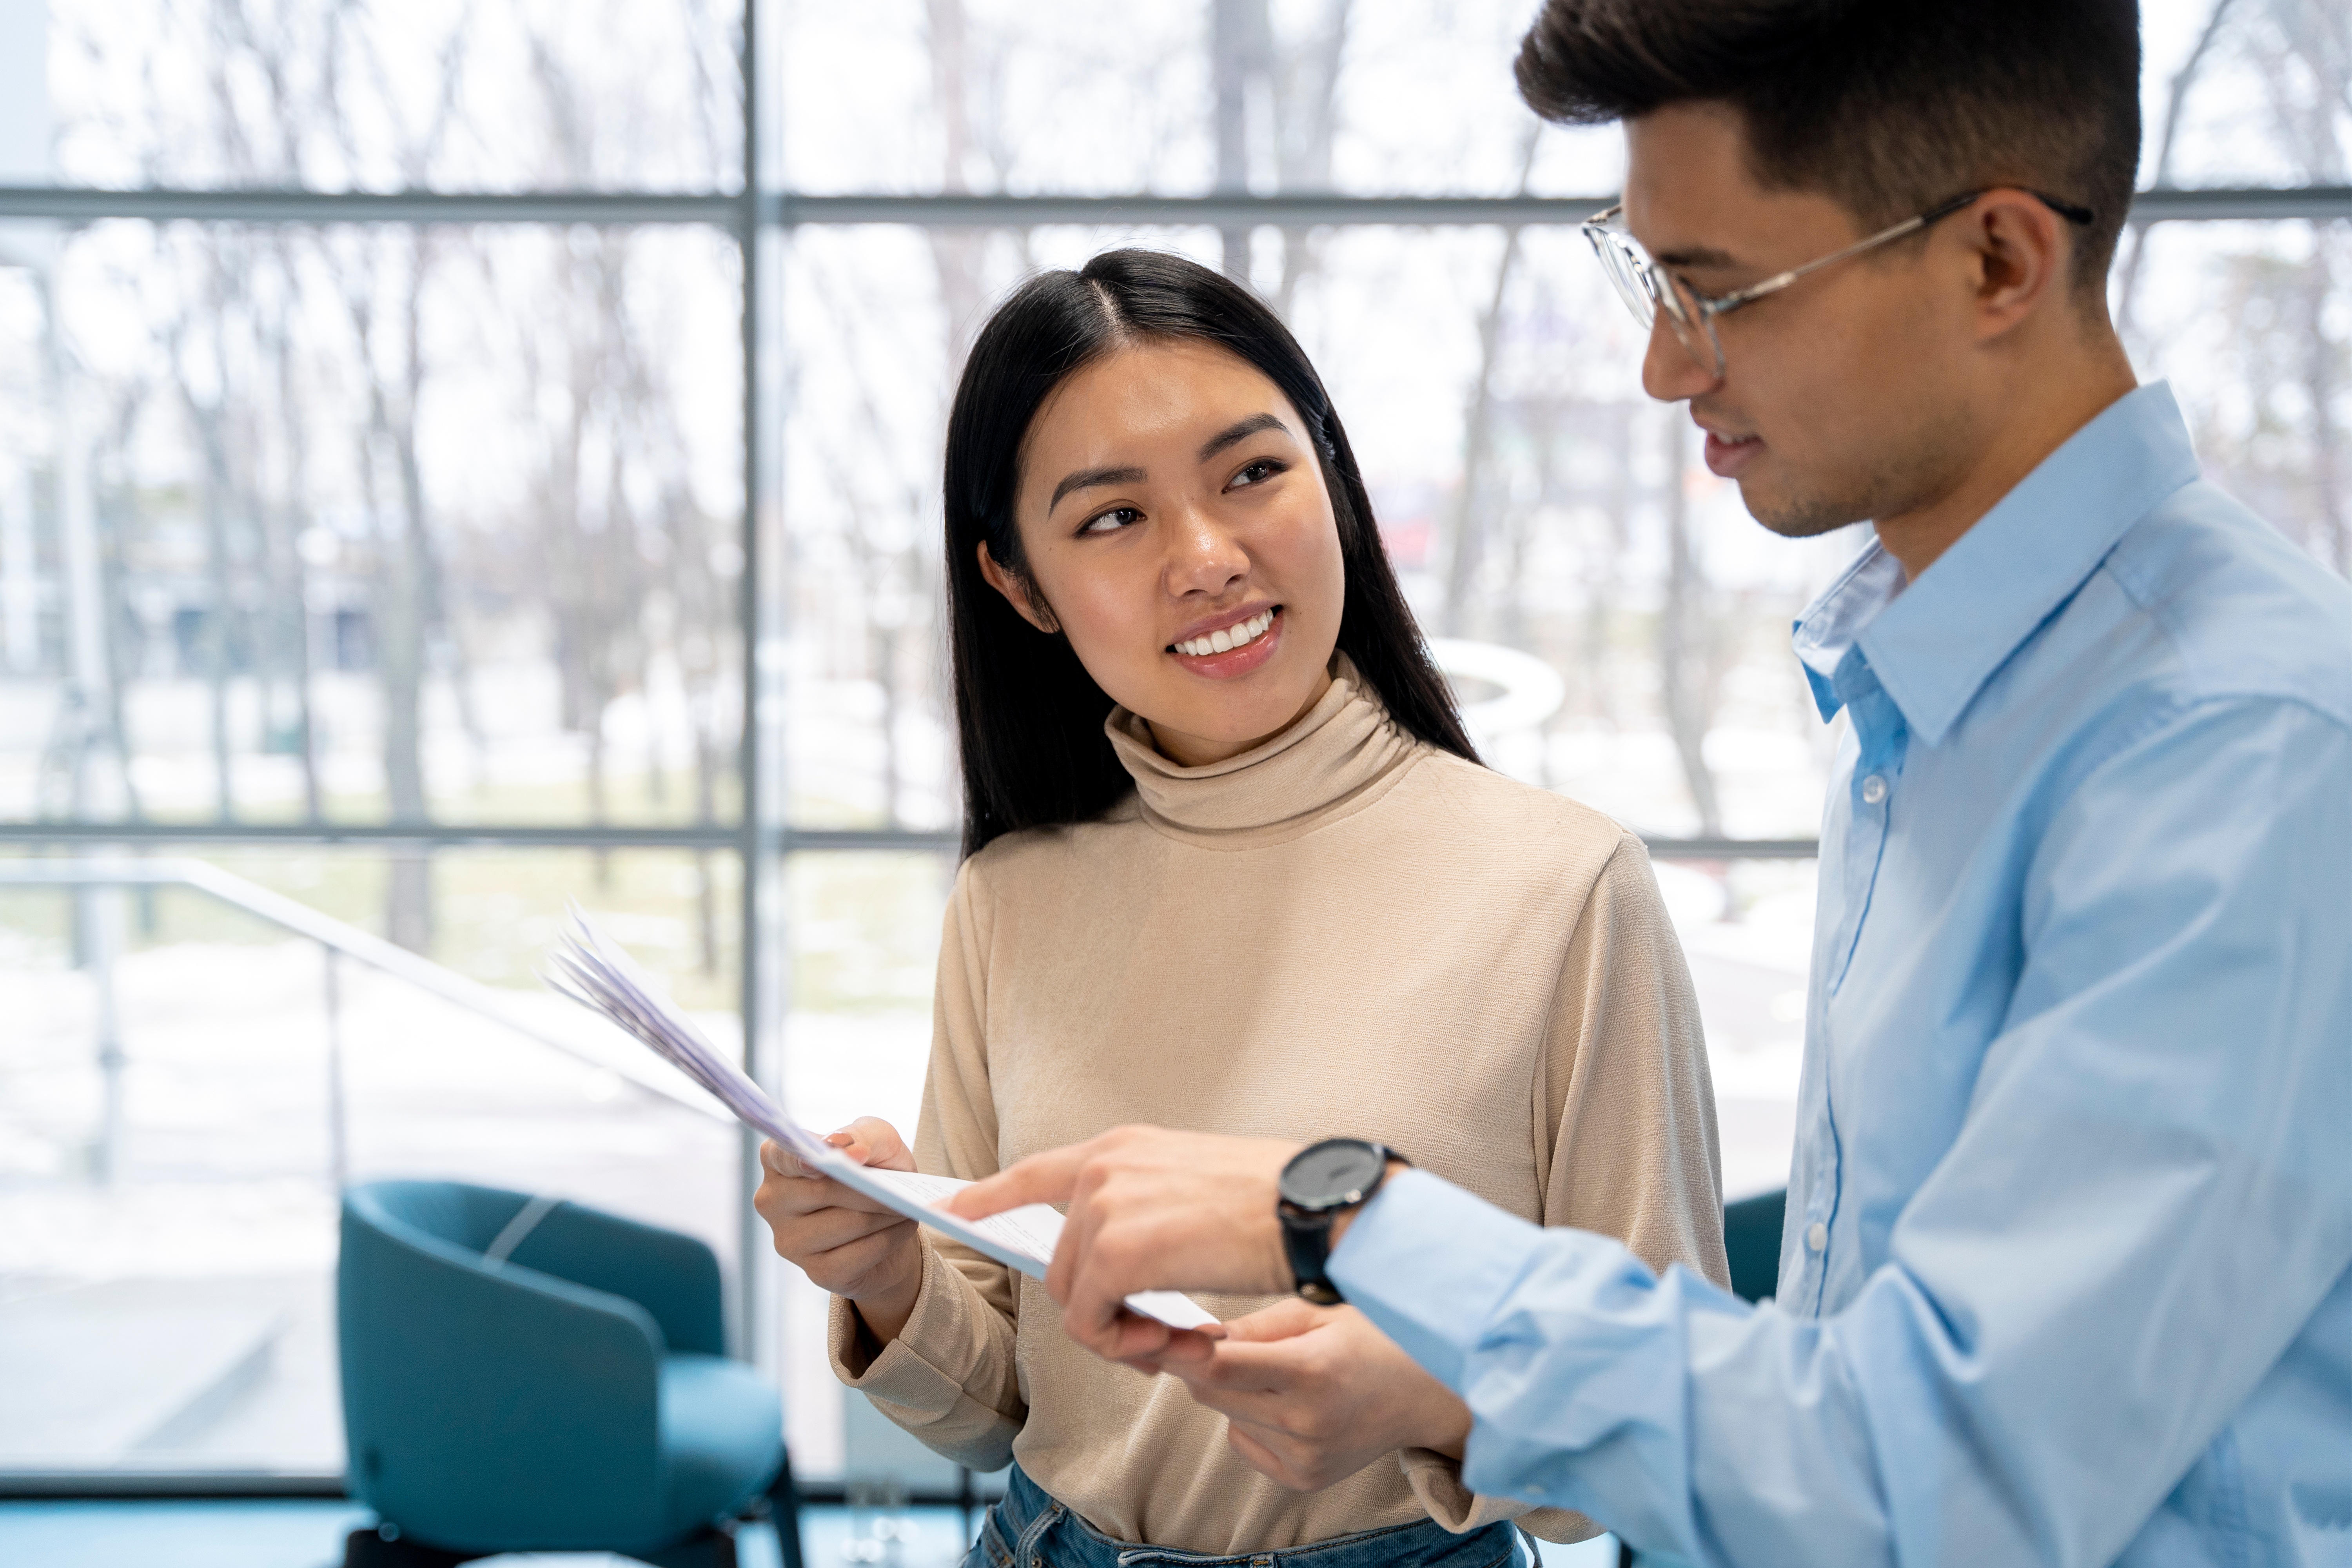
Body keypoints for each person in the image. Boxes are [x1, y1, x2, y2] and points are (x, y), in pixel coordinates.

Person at [946, 4, 2352, 1565]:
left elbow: (1949, 1472)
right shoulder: (1939, 704)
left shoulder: (2228, 744)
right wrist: (1452, 1377)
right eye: (1645, 274)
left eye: (1718, 290)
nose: (1662, 363)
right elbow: (1840, 1404)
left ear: (1999, 261)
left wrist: (1347, 1219)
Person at [753, 249, 1730, 1567]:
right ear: (1019, 586)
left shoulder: (1565, 890)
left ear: (1331, 476)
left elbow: (1668, 1433)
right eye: (1113, 518)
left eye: (1253, 473)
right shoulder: (1012, 898)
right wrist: (886, 1278)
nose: (1208, 557)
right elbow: (1005, 1412)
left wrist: (1433, 1402)